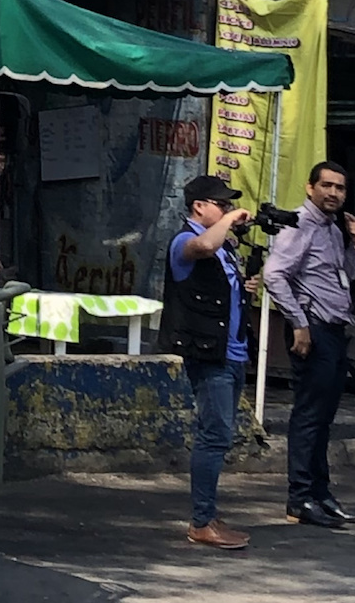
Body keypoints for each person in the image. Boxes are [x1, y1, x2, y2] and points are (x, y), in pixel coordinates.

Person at [263, 160, 355, 530]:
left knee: (324, 417)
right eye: (327, 186)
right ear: (310, 188)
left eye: (340, 188)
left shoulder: (331, 228)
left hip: (335, 329)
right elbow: (274, 275)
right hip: (315, 329)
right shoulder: (299, 223)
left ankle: (321, 494)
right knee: (308, 416)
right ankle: (300, 497)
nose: (334, 194)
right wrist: (299, 324)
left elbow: (344, 278)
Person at [160, 175, 256, 550]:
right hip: (208, 354)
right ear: (200, 206)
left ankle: (208, 513)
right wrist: (229, 223)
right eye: (222, 204)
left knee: (221, 434)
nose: (228, 210)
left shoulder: (223, 248)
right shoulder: (186, 240)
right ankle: (201, 521)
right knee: (213, 435)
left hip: (231, 352)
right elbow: (200, 246)